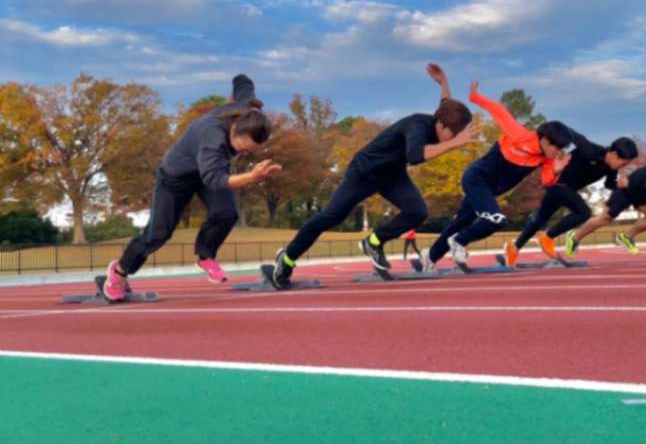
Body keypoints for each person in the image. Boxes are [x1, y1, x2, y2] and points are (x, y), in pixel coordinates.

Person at [270, 64, 476, 288]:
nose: (454, 139)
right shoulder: (417, 126)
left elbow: (446, 104)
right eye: (453, 134)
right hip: (364, 172)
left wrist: (443, 82)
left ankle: (374, 241)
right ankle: (287, 258)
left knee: (417, 211)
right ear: (441, 124)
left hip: (391, 175)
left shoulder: (443, 118)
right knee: (331, 216)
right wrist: (456, 143)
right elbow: (416, 156)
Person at [103, 74, 282, 301]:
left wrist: (250, 100)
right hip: (176, 178)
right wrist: (253, 176)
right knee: (158, 234)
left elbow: (243, 81)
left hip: (208, 173)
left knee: (226, 213)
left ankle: (205, 255)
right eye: (243, 149)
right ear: (234, 130)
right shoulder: (212, 137)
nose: (243, 154)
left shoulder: (246, 111)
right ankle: (119, 271)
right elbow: (215, 180)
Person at [419, 81, 573, 271]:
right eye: (555, 147)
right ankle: (459, 241)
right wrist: (475, 97)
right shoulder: (520, 135)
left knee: (462, 221)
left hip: (488, 191)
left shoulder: (546, 159)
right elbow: (498, 111)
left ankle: (430, 256)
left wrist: (557, 171)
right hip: (476, 178)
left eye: (561, 149)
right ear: (544, 140)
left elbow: (547, 181)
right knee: (496, 219)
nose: (557, 152)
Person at [504, 132, 638, 265]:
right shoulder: (590, 149)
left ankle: (514, 248)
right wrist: (550, 138)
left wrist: (619, 185)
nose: (623, 167)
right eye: (623, 164)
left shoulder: (612, 168)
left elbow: (609, 184)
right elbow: (569, 133)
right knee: (583, 212)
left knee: (541, 218)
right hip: (557, 182)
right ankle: (548, 237)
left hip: (565, 189)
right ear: (614, 154)